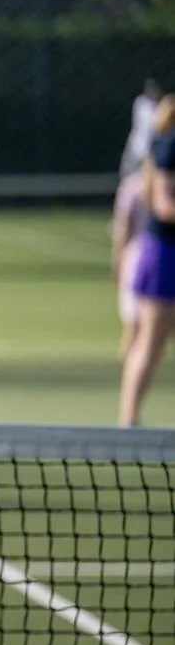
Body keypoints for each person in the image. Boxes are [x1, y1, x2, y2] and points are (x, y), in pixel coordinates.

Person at [119, 94, 175, 428]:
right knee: (150, 340)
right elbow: (164, 204)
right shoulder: (168, 147)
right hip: (163, 254)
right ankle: (128, 421)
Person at [112, 167, 147, 361]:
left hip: (135, 260)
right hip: (144, 259)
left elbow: (122, 232)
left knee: (134, 333)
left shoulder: (132, 185)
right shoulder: (134, 185)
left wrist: (117, 263)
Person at [120, 79, 162, 178]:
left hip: (151, 153)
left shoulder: (161, 107)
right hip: (136, 149)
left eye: (153, 89)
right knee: (128, 176)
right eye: (148, 88)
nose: (150, 91)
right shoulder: (140, 103)